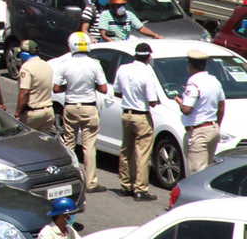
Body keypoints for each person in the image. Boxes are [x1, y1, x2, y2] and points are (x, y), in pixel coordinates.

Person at [53, 31, 109, 192]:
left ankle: (70, 178)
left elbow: (56, 88)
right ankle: (91, 182)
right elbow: (104, 88)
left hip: (70, 106)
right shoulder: (94, 64)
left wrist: (69, 87)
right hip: (89, 107)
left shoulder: (65, 64)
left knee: (69, 144)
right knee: (89, 146)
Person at [113, 42, 164, 200]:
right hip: (141, 115)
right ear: (148, 56)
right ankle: (140, 189)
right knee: (142, 153)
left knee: (126, 150)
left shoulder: (123, 68)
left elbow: (117, 91)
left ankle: (126, 185)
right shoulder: (147, 72)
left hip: (126, 114)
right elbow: (152, 100)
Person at [174, 48, 226, 175]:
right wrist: (217, 125)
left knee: (197, 173)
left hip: (198, 132)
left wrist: (179, 101)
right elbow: (221, 106)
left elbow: (187, 109)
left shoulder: (193, 83)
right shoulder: (214, 80)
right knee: (208, 171)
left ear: (190, 65)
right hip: (212, 129)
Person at [13, 40, 58, 133]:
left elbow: (24, 92)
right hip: (48, 111)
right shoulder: (46, 65)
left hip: (32, 114)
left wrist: (17, 113)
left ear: (24, 54)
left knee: (27, 143)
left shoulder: (26, 68)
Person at [93, 0, 160, 42]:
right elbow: (103, 34)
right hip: (109, 44)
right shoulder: (105, 15)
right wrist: (112, 42)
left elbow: (141, 28)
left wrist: (155, 35)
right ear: (112, 6)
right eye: (118, 6)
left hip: (125, 42)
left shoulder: (129, 14)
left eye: (122, 5)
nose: (121, 8)